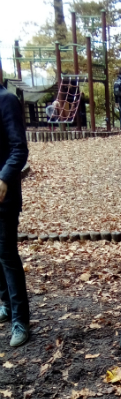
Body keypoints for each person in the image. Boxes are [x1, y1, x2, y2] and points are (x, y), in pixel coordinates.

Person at [0, 83, 30, 347]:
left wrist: (4, 177)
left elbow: (19, 148)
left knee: (7, 255)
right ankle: (5, 303)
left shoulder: (7, 100)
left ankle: (20, 320)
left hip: (3, 196)